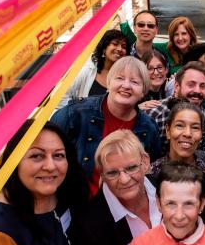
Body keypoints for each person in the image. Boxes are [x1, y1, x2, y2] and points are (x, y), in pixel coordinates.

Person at [51, 56, 161, 195]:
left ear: (143, 91)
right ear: (108, 82)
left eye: (134, 81)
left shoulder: (149, 127)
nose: (126, 85)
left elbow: (151, 170)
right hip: (77, 203)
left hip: (122, 207)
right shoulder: (77, 113)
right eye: (120, 78)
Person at [145, 61, 205, 146]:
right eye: (191, 85)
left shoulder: (202, 112)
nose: (197, 90)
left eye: (202, 86)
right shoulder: (155, 113)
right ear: (176, 87)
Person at [61, 29, 127, 106]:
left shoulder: (125, 75)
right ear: (104, 48)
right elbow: (61, 96)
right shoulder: (87, 69)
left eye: (124, 46)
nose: (120, 49)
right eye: (115, 44)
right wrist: (76, 113)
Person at [150, 101, 205, 177]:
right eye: (180, 125)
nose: (187, 133)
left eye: (195, 127)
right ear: (168, 131)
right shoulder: (152, 174)